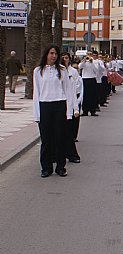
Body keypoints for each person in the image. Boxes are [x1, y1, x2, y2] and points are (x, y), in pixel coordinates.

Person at [33, 45, 77, 177]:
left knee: (60, 138)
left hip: (59, 105)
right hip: (45, 105)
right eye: (51, 53)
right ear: (46, 54)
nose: (54, 56)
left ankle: (60, 167)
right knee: (46, 139)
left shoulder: (62, 70)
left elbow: (68, 91)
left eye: (56, 54)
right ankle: (46, 167)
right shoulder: (38, 71)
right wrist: (37, 114)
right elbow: (36, 92)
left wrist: (69, 112)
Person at [61, 52, 82, 163]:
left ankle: (71, 154)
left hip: (69, 103)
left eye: (67, 58)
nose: (65, 59)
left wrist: (76, 108)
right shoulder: (57, 71)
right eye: (63, 57)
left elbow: (75, 89)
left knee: (68, 132)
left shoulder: (73, 72)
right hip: (58, 105)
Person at [78, 51, 99, 116]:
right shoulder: (84, 62)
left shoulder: (94, 62)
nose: (89, 56)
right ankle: (85, 111)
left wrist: (92, 63)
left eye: (90, 54)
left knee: (92, 96)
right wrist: (84, 61)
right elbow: (79, 67)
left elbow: (96, 70)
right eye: (88, 54)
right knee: (85, 95)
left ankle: (93, 110)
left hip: (92, 79)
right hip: (85, 79)